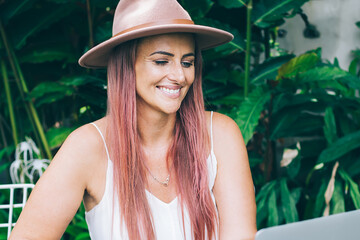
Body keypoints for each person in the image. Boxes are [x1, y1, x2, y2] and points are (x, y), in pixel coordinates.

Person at [10, 0, 257, 239]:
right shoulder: (87, 148)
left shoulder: (221, 135)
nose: (180, 76)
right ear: (126, 66)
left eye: (187, 62)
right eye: (161, 61)